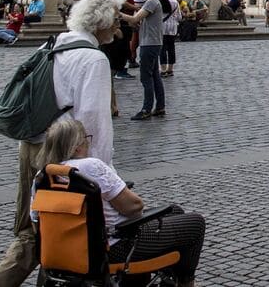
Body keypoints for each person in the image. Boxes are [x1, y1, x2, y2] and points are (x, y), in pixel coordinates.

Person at [0, 0, 121, 287]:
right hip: (63, 153)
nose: (119, 27)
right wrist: (102, 173)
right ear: (100, 23)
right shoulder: (94, 59)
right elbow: (92, 121)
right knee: (50, 230)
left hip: (30, 143)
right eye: (116, 20)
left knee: (33, 225)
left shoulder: (53, 43)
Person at [34, 118, 206, 286]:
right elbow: (134, 207)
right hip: (114, 248)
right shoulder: (90, 166)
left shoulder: (43, 177)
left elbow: (36, 221)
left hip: (65, 252)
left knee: (174, 211)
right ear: (77, 146)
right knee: (196, 224)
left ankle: (158, 278)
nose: (88, 144)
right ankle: (186, 282)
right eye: (86, 139)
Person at [119, 0, 170, 121]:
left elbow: (135, 19)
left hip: (149, 44)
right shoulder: (153, 2)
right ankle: (160, 106)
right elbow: (142, 22)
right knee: (154, 76)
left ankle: (146, 108)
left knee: (146, 77)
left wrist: (118, 14)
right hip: (153, 42)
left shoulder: (152, 2)